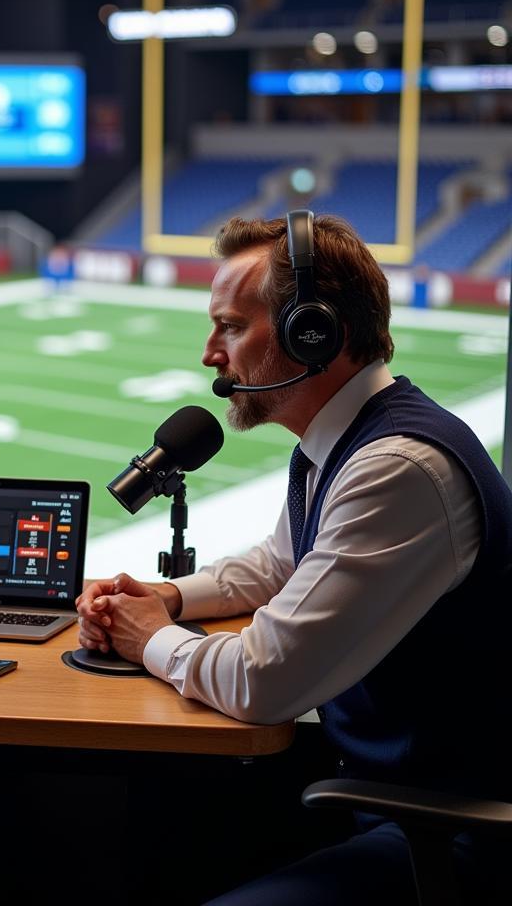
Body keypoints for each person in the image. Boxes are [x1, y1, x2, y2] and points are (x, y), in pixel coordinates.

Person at [78, 213, 510, 905]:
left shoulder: (396, 468)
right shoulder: (340, 444)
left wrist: (148, 638)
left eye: (230, 327)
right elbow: (277, 564)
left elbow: (263, 683)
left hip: (444, 833)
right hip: (374, 791)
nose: (210, 355)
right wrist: (171, 599)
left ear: (313, 333)